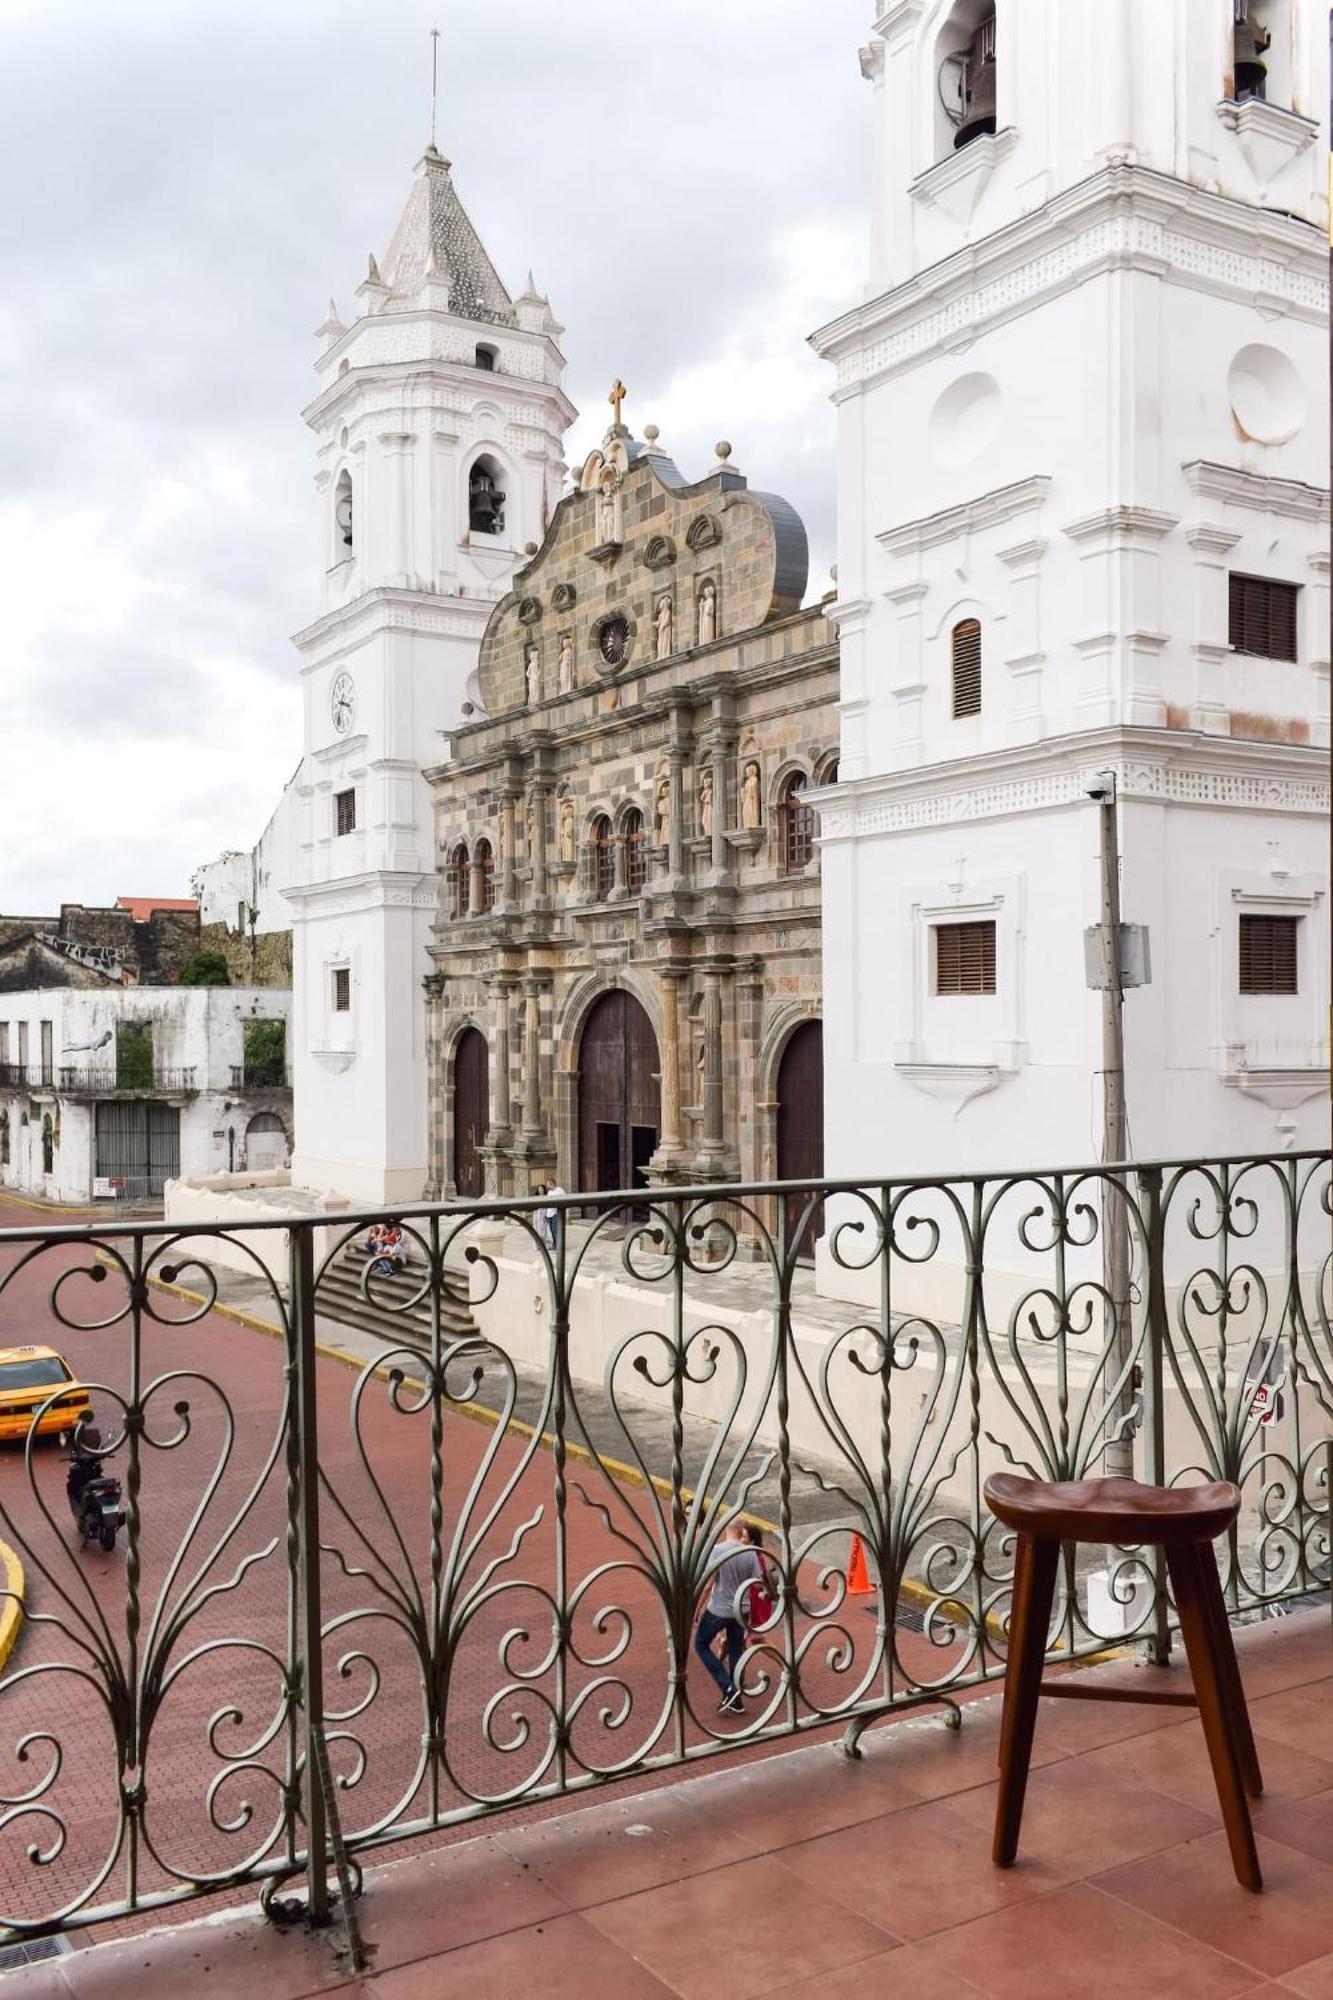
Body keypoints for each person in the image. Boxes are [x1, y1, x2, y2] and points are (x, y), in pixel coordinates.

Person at [694, 1517, 762, 1715]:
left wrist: (697, 1610)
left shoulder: (717, 1551)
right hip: (742, 1610)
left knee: (700, 1644)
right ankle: (736, 1699)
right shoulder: (750, 1553)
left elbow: (708, 1585)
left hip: (719, 1609)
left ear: (727, 1530)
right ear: (742, 1532)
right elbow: (757, 1585)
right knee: (735, 1651)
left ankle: (727, 1687)